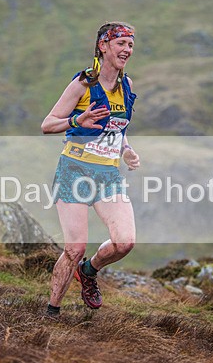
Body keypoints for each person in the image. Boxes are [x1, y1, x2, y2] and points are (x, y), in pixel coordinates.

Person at [40, 21, 141, 317]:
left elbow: (117, 128)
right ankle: (52, 312)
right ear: (103, 46)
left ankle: (89, 271)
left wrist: (126, 150)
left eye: (131, 45)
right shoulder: (83, 83)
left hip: (108, 175)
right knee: (74, 247)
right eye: (121, 44)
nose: (127, 50)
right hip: (74, 170)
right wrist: (76, 121)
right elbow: (47, 125)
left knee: (125, 242)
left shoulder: (127, 86)